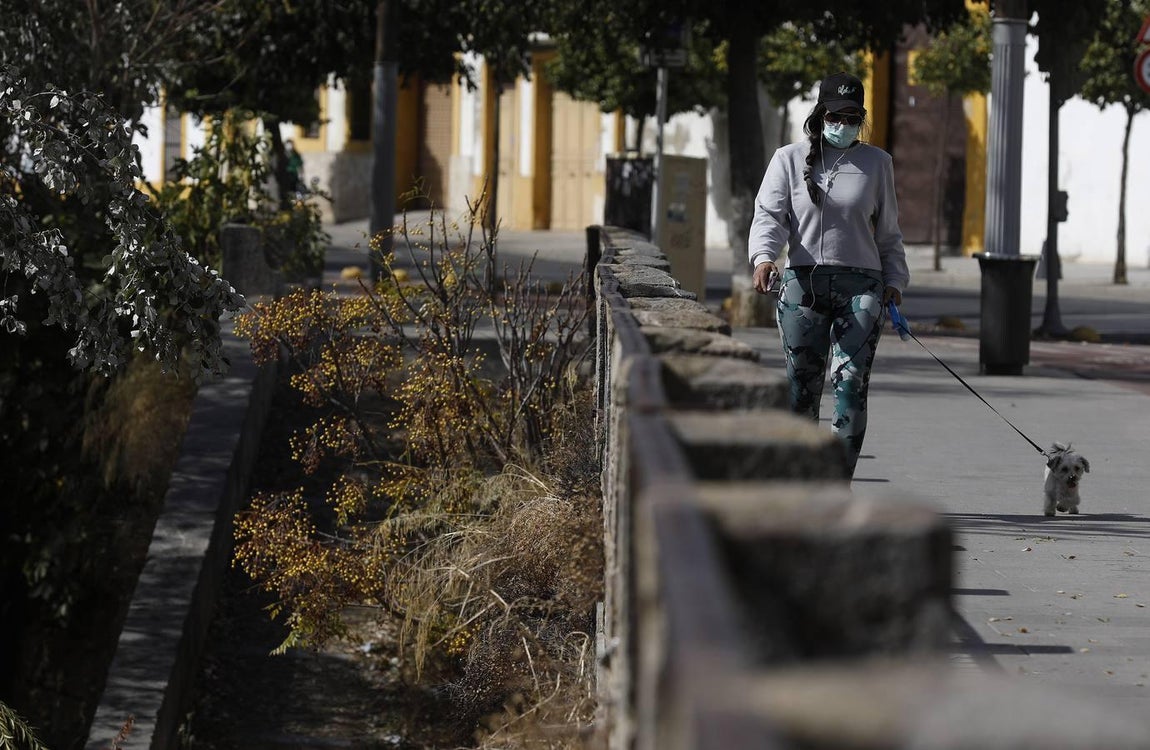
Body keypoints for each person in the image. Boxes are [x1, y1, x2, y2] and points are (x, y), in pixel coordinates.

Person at [748, 71, 909, 478]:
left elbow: (888, 230)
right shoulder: (787, 159)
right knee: (802, 390)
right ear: (820, 115)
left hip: (862, 287)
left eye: (853, 115)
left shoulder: (877, 163)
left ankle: (836, 482)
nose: (844, 124)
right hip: (803, 285)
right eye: (836, 115)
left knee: (852, 381)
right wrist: (764, 258)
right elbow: (770, 215)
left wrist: (894, 281)